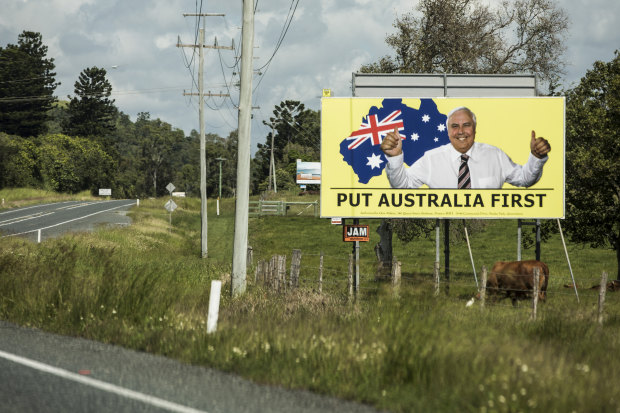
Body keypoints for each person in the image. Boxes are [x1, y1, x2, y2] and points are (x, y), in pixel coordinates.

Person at [380, 106, 551, 189]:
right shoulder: (432, 159)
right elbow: (402, 186)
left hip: (487, 231)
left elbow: (525, 179)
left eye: (466, 125)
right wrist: (395, 157)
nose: (461, 131)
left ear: (475, 129)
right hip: (445, 227)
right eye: (455, 126)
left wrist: (536, 157)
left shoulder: (494, 155)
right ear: (448, 132)